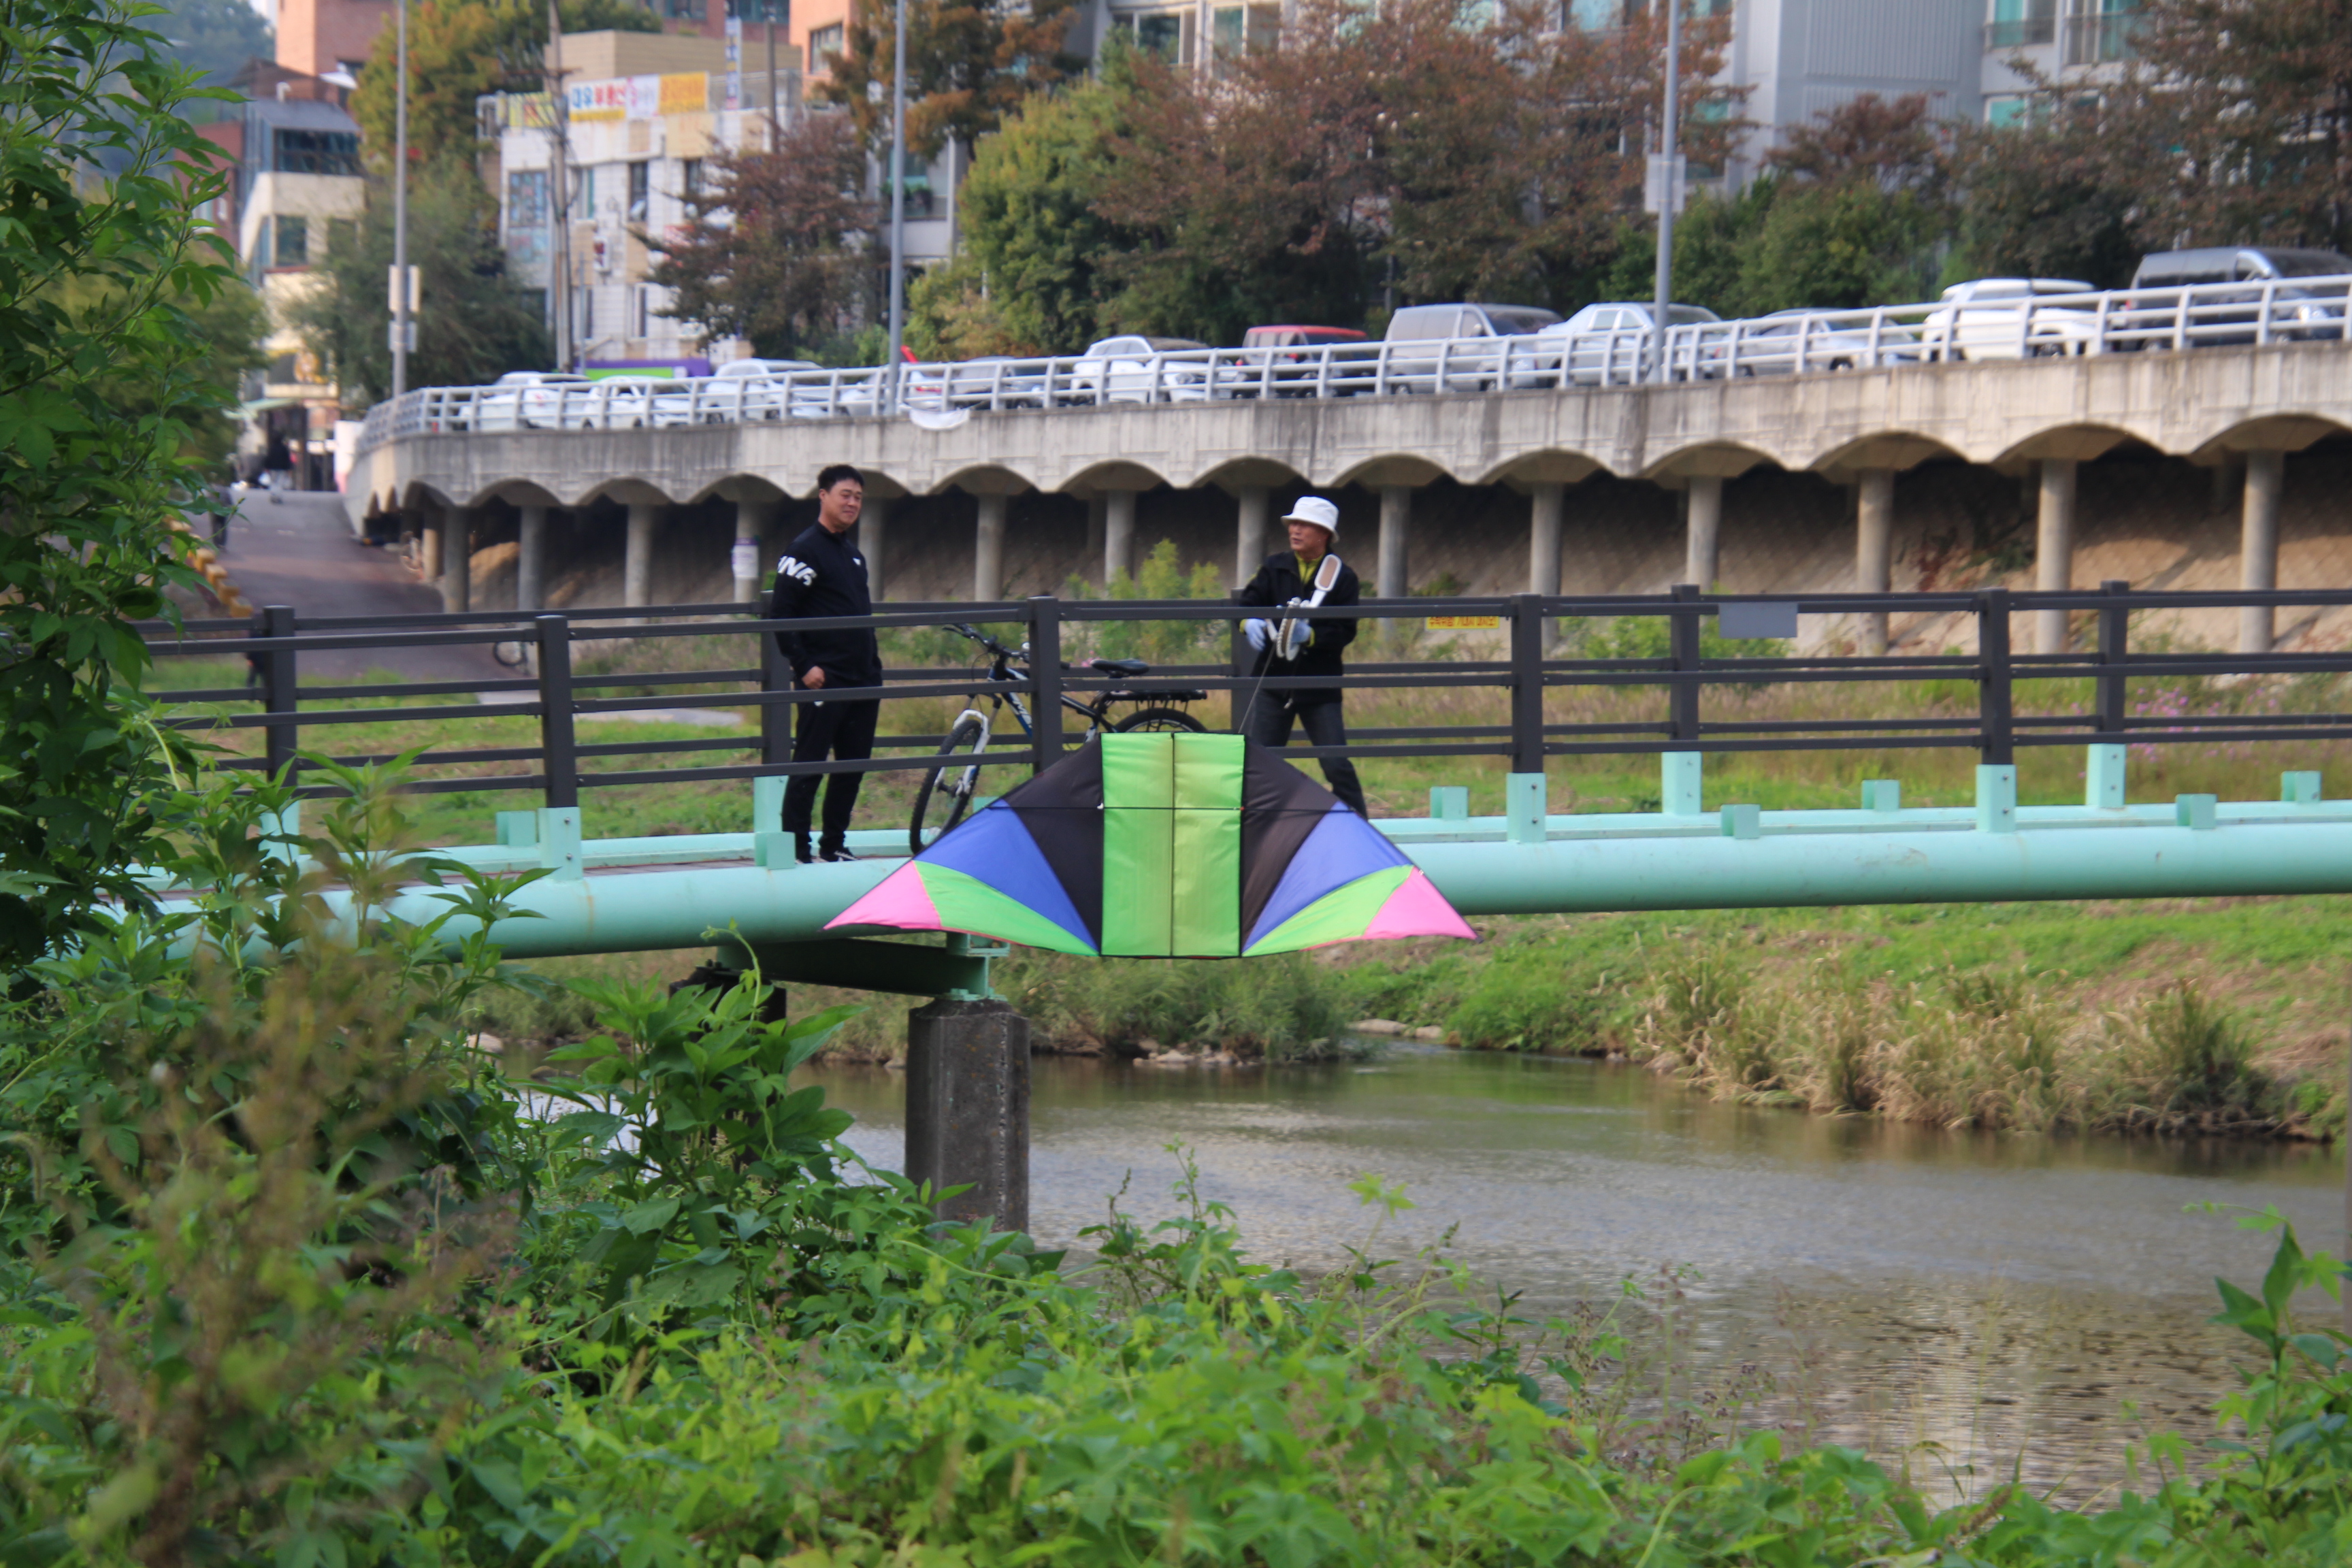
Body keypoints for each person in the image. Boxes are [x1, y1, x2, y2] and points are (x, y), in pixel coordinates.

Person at [770, 464, 881, 864]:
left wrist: (874, 667)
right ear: (824, 496)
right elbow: (781, 614)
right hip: (823, 679)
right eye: (845, 495)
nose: (852, 503)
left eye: (858, 497)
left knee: (852, 767)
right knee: (810, 764)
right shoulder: (802, 550)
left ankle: (834, 844)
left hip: (863, 678)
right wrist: (804, 666)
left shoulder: (854, 556)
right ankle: (796, 848)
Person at [1238, 495, 1367, 816]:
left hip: (1319, 685)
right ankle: (1256, 827)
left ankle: (1361, 828)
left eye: (1304, 525)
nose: (1294, 530)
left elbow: (1346, 630)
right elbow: (1247, 604)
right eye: (1293, 523)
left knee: (1336, 764)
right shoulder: (1274, 567)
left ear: (1324, 534)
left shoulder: (1344, 578)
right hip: (1274, 682)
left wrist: (1310, 636)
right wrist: (1247, 622)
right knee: (1260, 763)